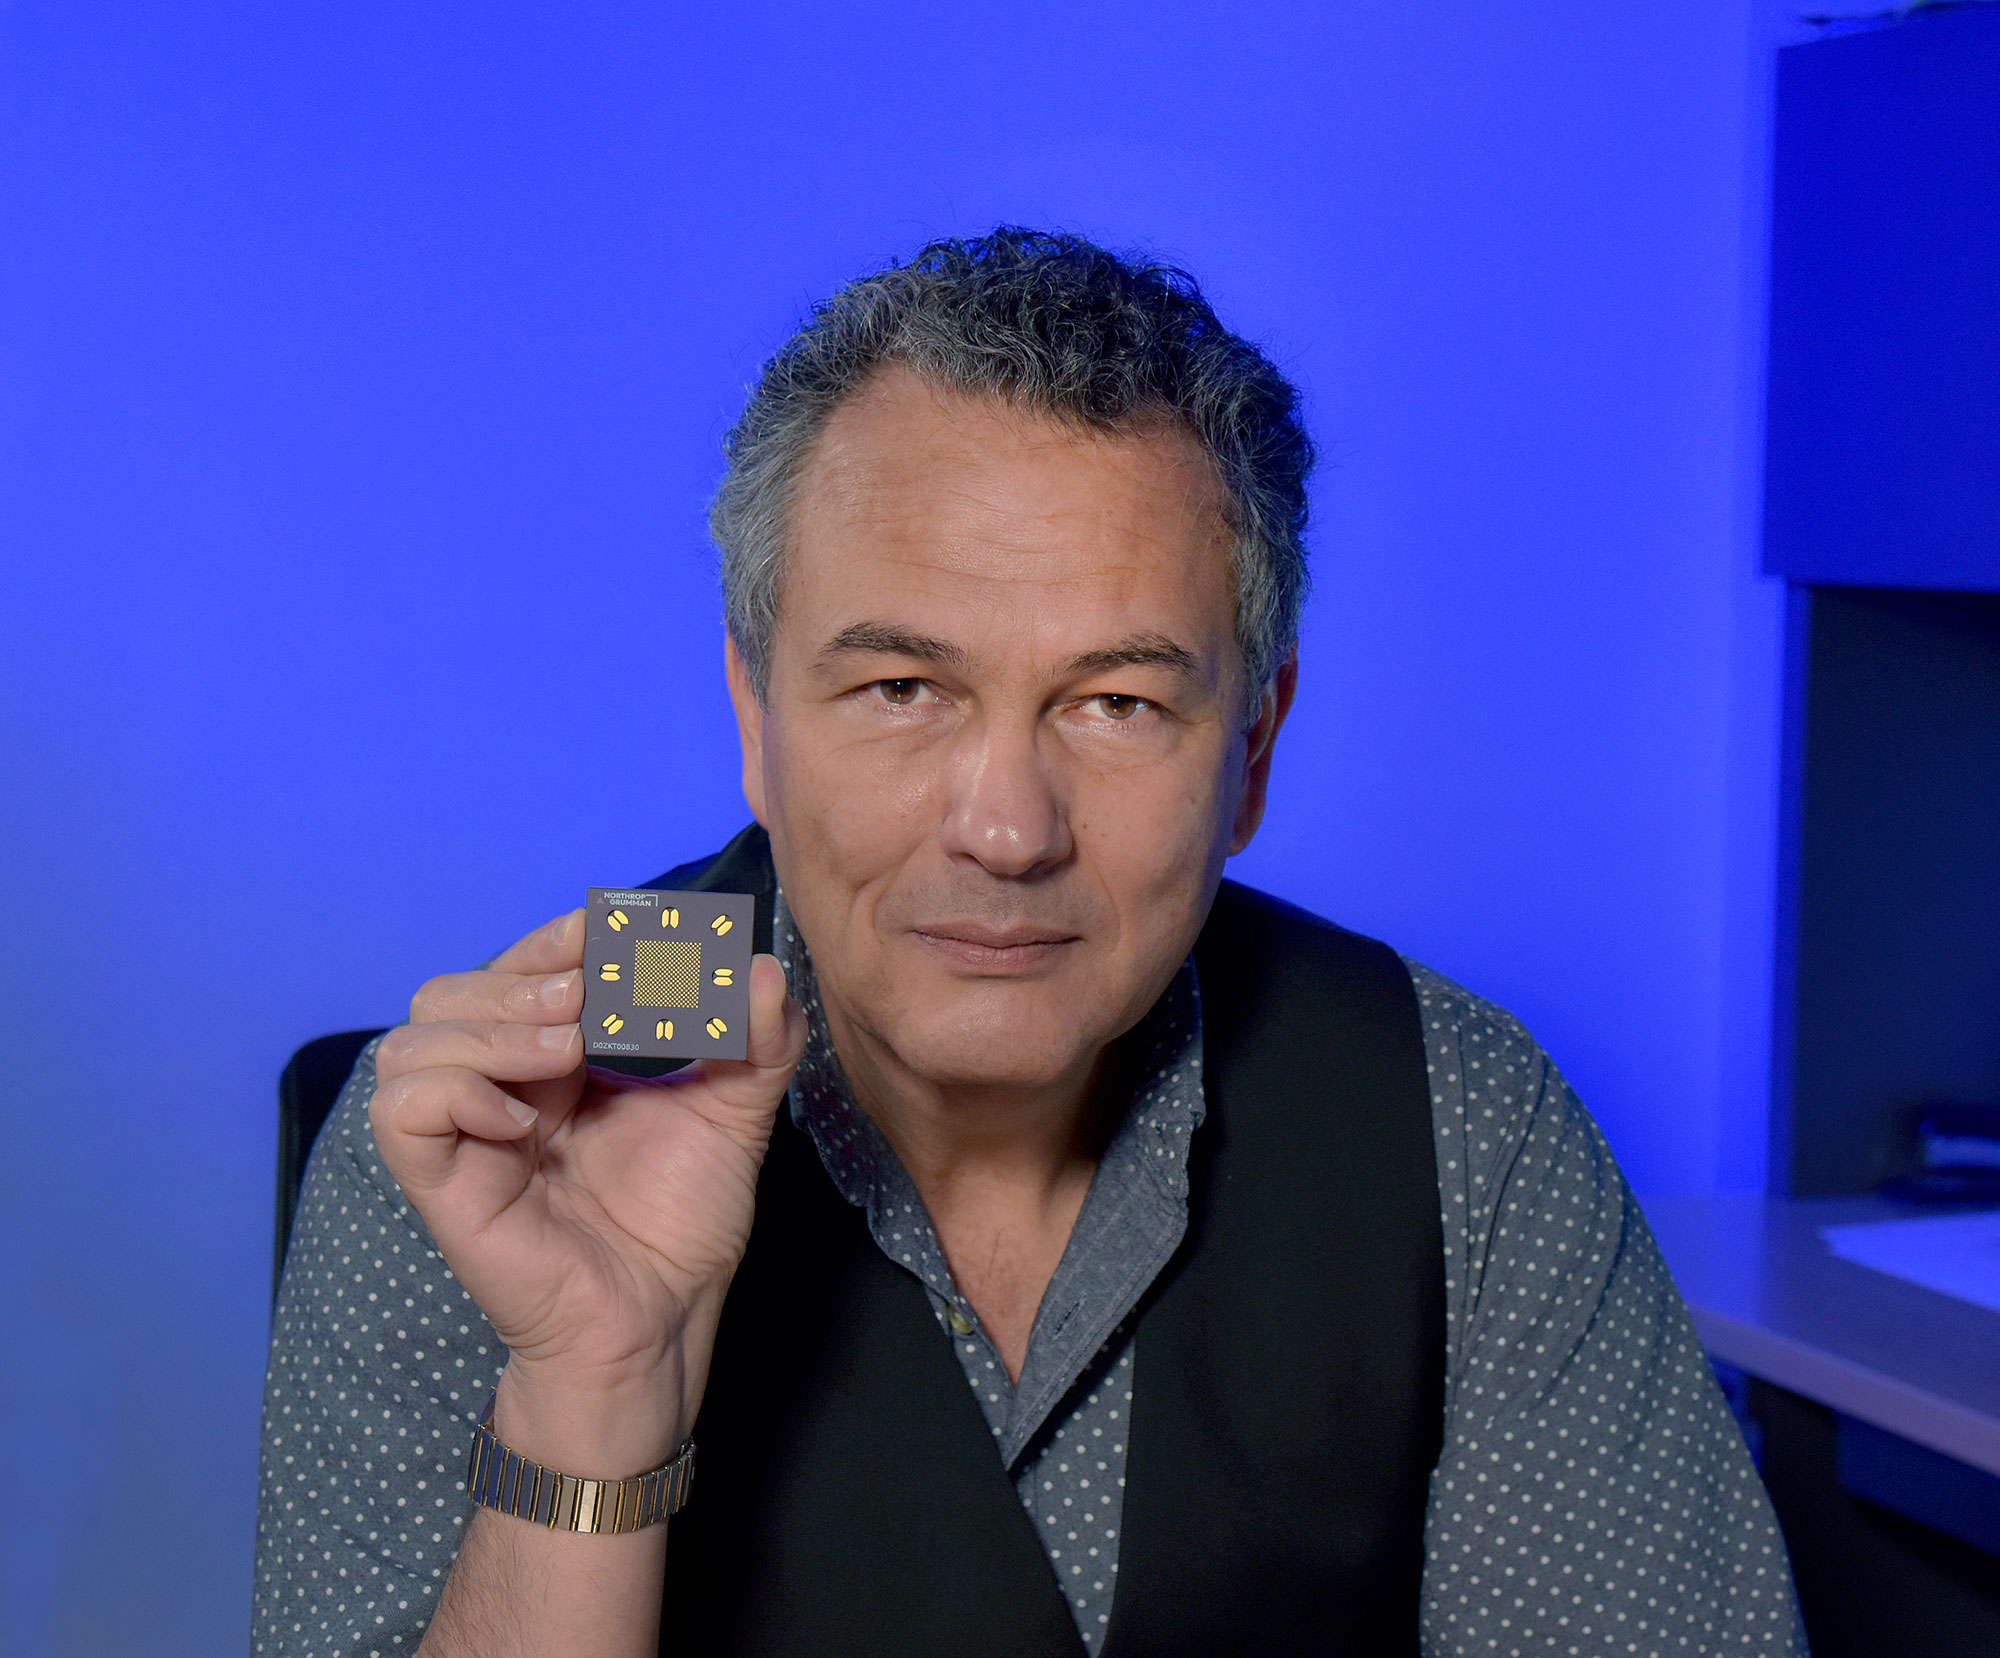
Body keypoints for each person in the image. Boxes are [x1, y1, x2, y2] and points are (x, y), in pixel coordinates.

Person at [253, 229, 1805, 1657]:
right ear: (755, 717)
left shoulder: (1463, 1124)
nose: (1005, 828)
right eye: (901, 690)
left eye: (1117, 703)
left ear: (1253, 754)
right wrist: (592, 1398)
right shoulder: (491, 1152)